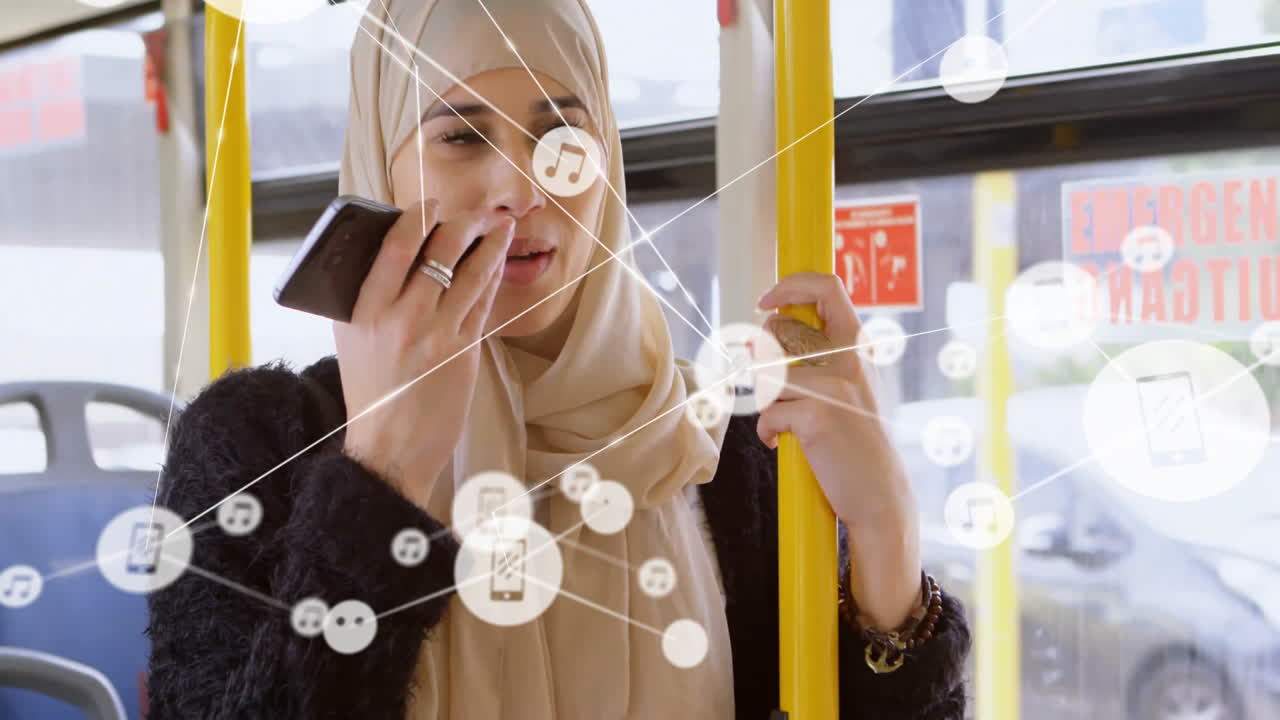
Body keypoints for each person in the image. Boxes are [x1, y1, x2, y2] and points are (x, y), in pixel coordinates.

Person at [145, 0, 971, 718]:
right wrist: (384, 474)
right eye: (462, 136)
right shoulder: (251, 449)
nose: (521, 186)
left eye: (562, 135)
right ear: (381, 168)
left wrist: (886, 527)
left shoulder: (730, 451)